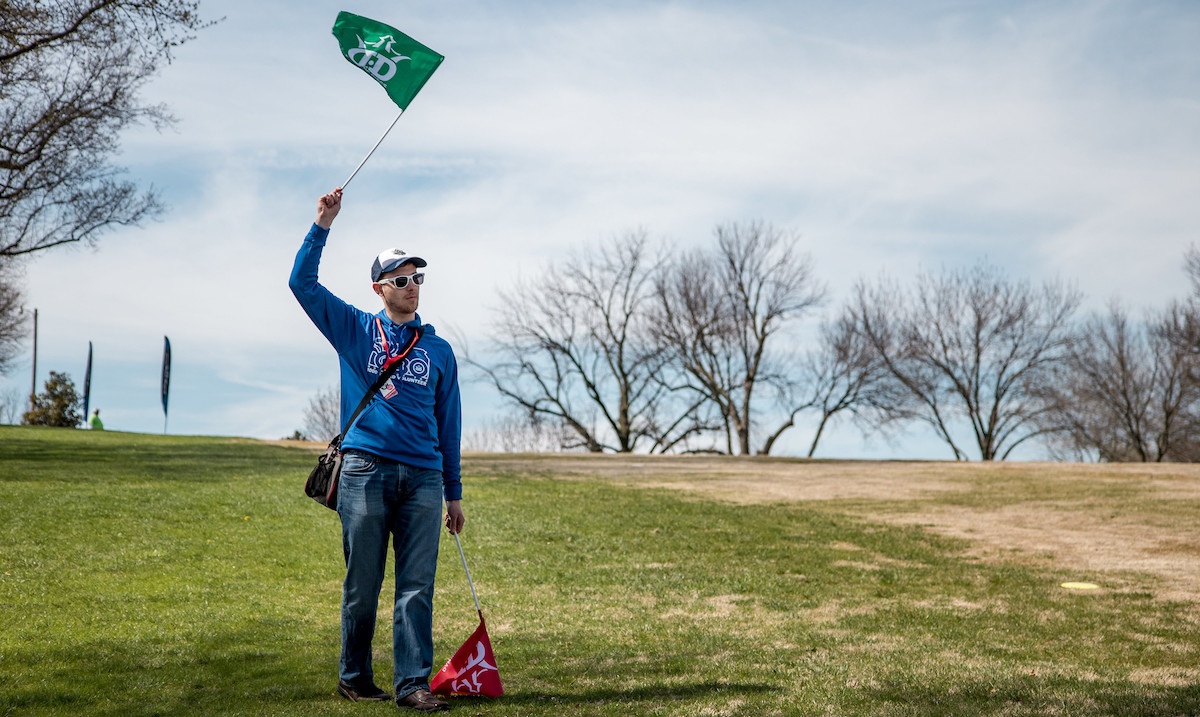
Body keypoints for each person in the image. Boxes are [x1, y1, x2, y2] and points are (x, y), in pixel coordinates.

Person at [289, 188, 465, 713]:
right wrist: (322, 225)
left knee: (416, 587)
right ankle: (355, 677)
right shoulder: (355, 329)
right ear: (379, 288)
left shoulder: (439, 351)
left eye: (417, 279)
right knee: (363, 584)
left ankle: (413, 684)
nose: (412, 287)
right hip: (364, 470)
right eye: (401, 280)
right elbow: (301, 284)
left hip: (425, 479)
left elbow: (449, 424)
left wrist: (454, 493)